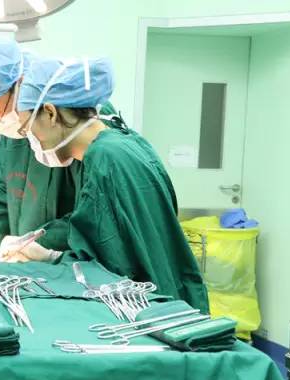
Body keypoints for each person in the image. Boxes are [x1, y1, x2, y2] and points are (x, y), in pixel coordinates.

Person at [14, 56, 208, 312]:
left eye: (27, 128)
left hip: (149, 307)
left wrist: (52, 258)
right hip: (172, 293)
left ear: (50, 113)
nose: (30, 139)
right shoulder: (124, 143)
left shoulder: (105, 159)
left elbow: (112, 264)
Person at [0, 38, 80, 252]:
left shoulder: (74, 124)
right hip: (27, 262)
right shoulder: (13, 133)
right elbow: (3, 199)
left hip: (71, 262)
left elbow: (93, 217)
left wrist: (38, 245)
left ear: (21, 86)